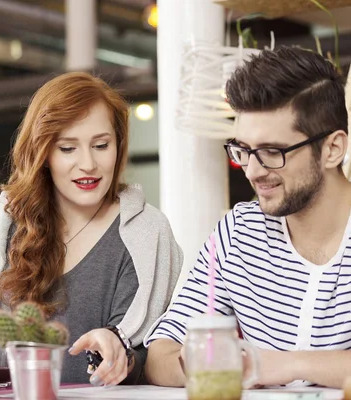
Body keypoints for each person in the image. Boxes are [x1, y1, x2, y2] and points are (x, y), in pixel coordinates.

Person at [144, 46, 351, 389]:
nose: (253, 171)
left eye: (273, 152)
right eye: (243, 150)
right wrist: (214, 366)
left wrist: (281, 365)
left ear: (332, 149)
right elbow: (162, 353)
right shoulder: (239, 233)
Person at [0, 71, 183, 386]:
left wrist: (118, 352)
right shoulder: (6, 223)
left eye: (101, 145)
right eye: (68, 148)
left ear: (118, 146)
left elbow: (144, 354)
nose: (88, 164)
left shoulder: (145, 233)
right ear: (44, 155)